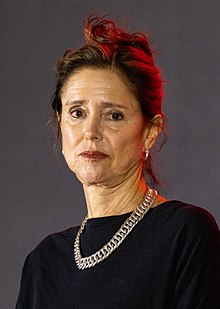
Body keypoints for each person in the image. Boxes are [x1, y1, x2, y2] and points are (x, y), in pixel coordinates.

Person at [16, 15, 220, 308]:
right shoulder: (43, 262)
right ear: (60, 124)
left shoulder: (185, 234)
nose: (90, 132)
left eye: (113, 115)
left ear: (149, 133)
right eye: (77, 112)